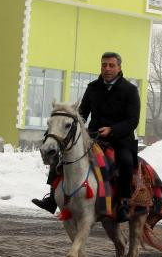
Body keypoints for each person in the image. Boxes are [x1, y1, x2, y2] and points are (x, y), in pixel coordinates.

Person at [32, 52, 140, 222]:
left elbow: (133, 121)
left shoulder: (130, 90)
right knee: (61, 157)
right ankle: (52, 198)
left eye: (111, 65)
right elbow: (81, 114)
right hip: (93, 137)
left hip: (121, 139)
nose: (107, 68)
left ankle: (125, 202)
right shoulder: (93, 87)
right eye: (104, 65)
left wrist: (112, 129)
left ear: (119, 67)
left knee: (126, 161)